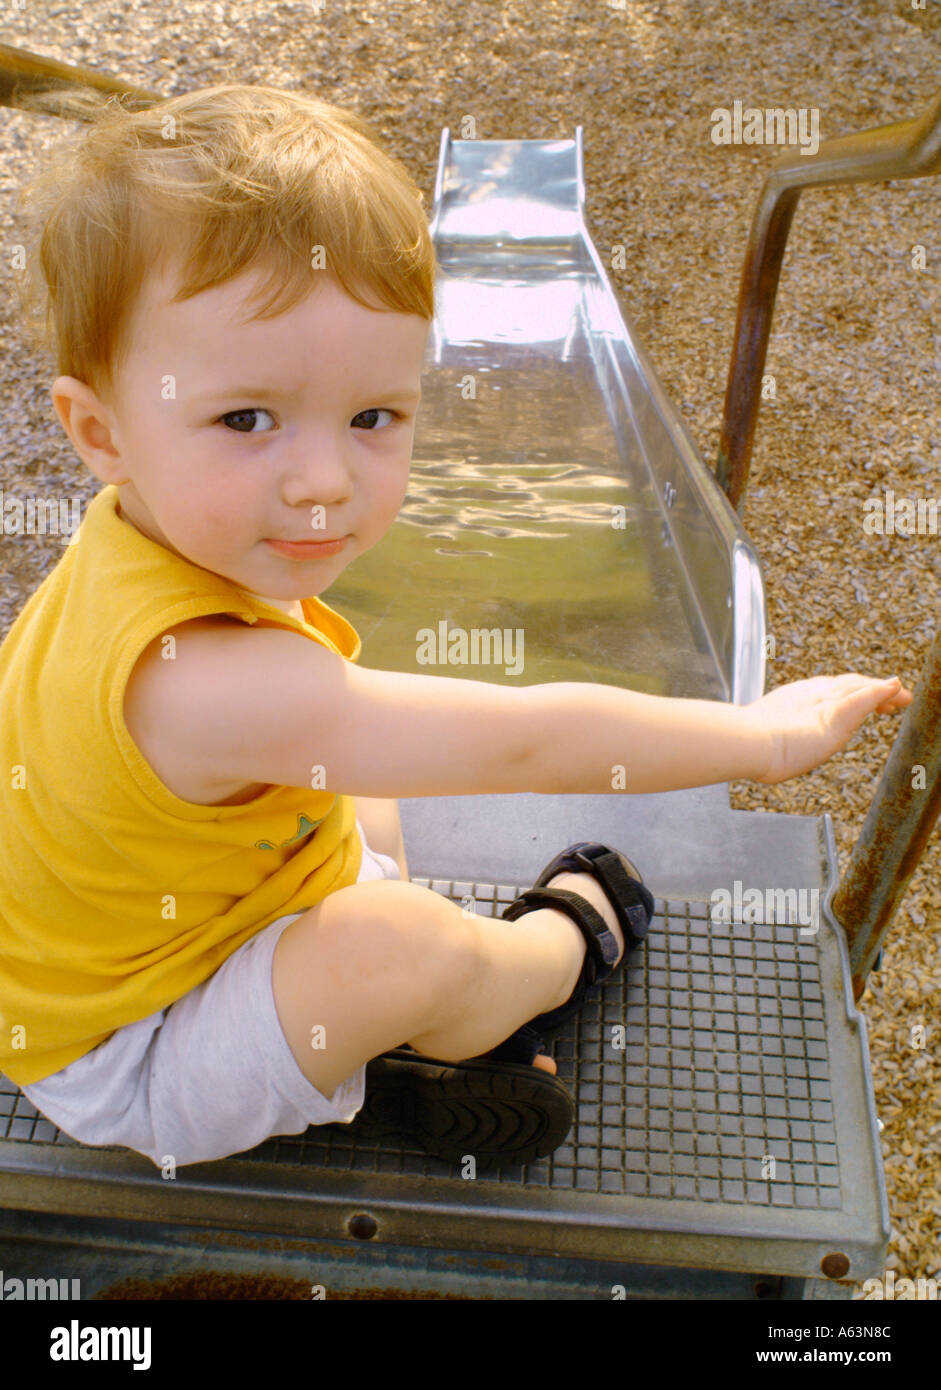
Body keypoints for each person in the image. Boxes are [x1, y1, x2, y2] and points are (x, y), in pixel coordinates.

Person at [0, 84, 911, 1170]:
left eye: (372, 416)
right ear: (100, 430)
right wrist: (757, 740)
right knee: (405, 940)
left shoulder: (149, 531)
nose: (324, 480)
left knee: (360, 740)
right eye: (248, 418)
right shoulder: (207, 685)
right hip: (135, 1047)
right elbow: (523, 738)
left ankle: (368, 1050)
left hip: (192, 909)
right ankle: (550, 954)